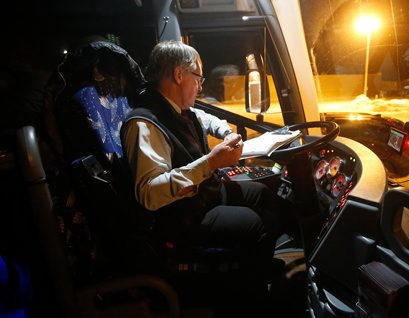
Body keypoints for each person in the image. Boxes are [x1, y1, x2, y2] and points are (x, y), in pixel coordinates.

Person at [120, 40, 287, 305]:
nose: (200, 85)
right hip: (181, 217)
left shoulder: (176, 108)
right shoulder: (144, 124)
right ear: (178, 75)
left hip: (202, 196)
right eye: (197, 77)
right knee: (255, 225)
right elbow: (149, 193)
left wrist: (226, 132)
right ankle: (250, 296)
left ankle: (257, 269)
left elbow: (206, 118)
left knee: (266, 198)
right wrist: (210, 163)